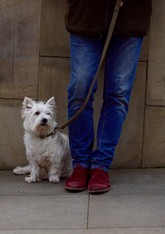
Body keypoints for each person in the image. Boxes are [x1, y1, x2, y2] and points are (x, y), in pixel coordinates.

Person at [64, 0, 152, 194]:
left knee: (118, 94)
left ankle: (100, 165)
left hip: (131, 18)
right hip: (84, 16)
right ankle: (80, 164)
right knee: (80, 90)